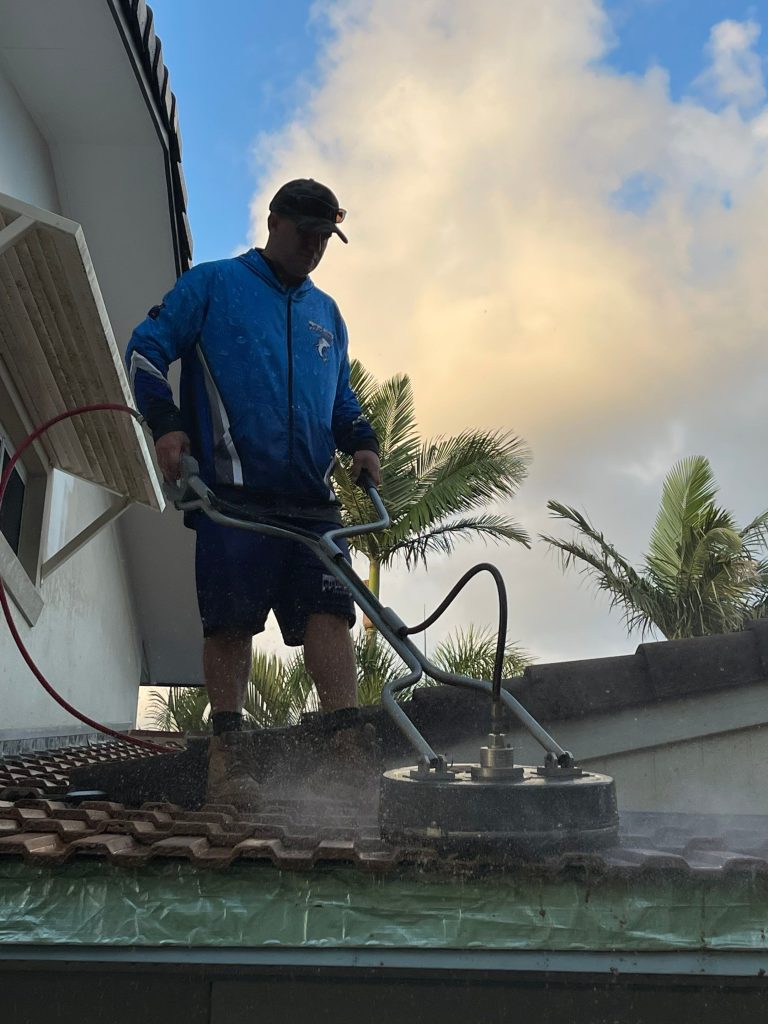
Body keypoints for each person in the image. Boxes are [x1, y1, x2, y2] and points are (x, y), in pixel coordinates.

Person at [126, 178, 381, 806]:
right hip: (232, 494)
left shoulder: (328, 315)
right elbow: (146, 351)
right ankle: (229, 756)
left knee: (331, 613)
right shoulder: (213, 287)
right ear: (274, 223)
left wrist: (363, 440)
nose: (317, 247)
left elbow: (339, 397)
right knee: (232, 622)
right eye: (307, 234)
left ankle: (345, 751)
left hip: (311, 500)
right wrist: (167, 425)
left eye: (327, 238)